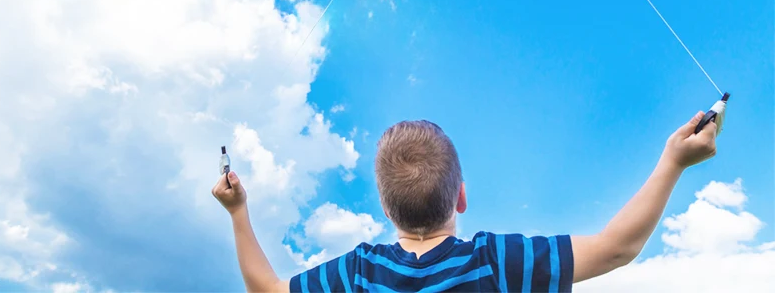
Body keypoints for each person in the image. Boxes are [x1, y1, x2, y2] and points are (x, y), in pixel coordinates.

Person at [212, 111, 718, 292]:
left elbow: (266, 290)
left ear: (386, 208)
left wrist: (238, 212)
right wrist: (672, 162)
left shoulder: (358, 274)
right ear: (461, 196)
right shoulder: (493, 263)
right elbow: (615, 248)